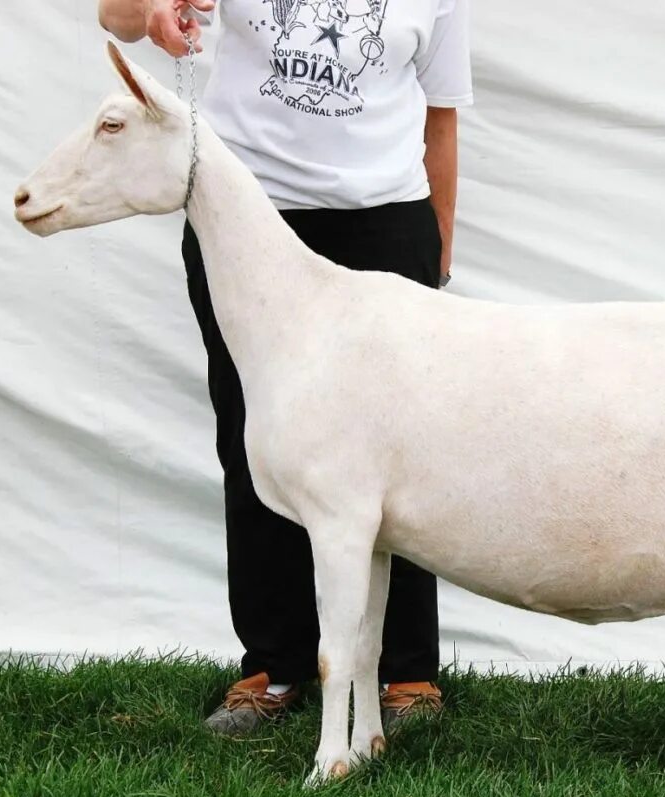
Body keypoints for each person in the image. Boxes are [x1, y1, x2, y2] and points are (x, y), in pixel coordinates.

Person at [97, 0, 472, 735]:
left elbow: (442, 117)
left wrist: (439, 252)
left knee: (408, 448)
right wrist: (150, 16)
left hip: (386, 222)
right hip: (249, 214)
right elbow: (116, 12)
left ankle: (408, 672)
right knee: (255, 430)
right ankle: (275, 663)